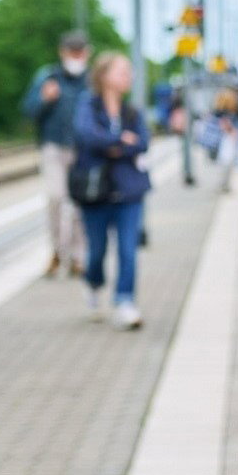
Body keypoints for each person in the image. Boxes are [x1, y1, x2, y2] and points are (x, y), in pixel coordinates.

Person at [71, 52, 152, 330]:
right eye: (122, 71)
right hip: (96, 191)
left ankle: (124, 301)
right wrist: (119, 140)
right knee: (97, 250)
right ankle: (93, 284)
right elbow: (87, 136)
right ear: (104, 75)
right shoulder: (88, 106)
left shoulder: (132, 111)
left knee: (128, 249)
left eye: (129, 72)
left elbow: (143, 142)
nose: (129, 76)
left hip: (129, 190)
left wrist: (112, 146)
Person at [20, 30, 91, 276]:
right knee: (56, 199)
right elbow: (28, 110)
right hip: (53, 147)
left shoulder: (91, 81)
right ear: (63, 52)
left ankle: (79, 257)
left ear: (87, 53)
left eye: (80, 52)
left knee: (80, 204)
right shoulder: (48, 77)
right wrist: (45, 99)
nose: (76, 57)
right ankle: (57, 253)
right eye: (72, 52)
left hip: (82, 150)